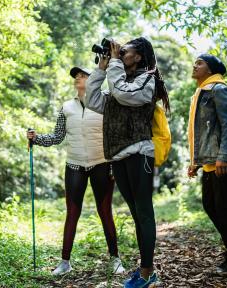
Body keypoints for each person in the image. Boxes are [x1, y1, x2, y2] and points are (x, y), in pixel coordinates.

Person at [86, 37, 170, 288]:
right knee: (136, 214)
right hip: (119, 156)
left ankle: (146, 274)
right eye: (118, 52)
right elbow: (92, 99)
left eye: (124, 52)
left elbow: (124, 95)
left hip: (139, 154)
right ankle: (146, 271)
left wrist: (113, 65)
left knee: (144, 213)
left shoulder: (148, 79)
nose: (119, 55)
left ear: (139, 56)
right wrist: (102, 69)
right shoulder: (118, 80)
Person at [27, 66, 125, 276]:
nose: (78, 78)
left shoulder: (105, 102)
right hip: (74, 165)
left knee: (105, 211)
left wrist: (117, 162)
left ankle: (115, 259)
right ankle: (64, 262)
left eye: (83, 75)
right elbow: (57, 136)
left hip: (102, 163)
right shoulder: (66, 107)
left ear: (94, 80)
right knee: (72, 213)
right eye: (76, 76)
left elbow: (116, 132)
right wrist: (37, 138)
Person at [187, 54, 227, 274]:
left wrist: (224, 155)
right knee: (211, 205)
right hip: (210, 162)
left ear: (211, 68)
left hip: (224, 160)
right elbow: (203, 132)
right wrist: (195, 162)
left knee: (223, 207)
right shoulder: (202, 91)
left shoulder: (219, 89)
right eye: (195, 62)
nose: (195, 65)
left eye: (200, 63)